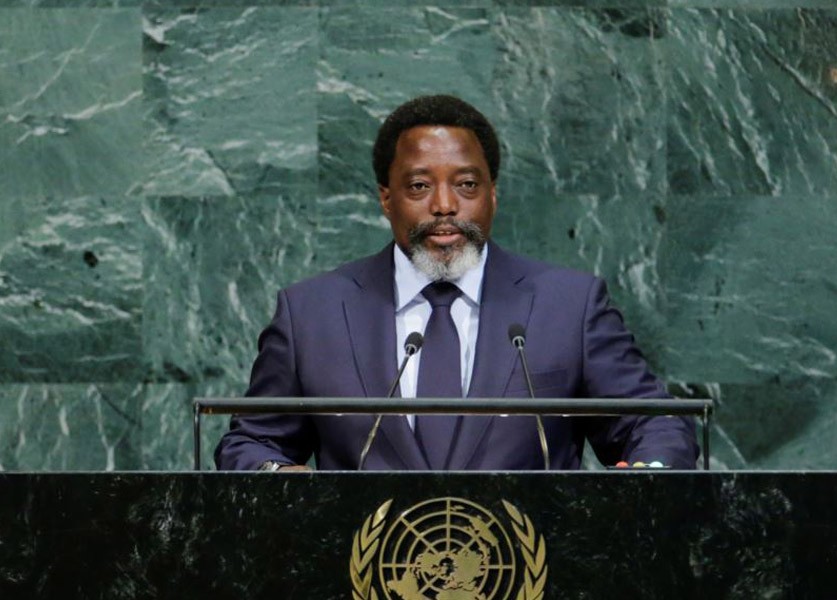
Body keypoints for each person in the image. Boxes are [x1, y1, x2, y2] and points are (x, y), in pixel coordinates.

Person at [215, 95, 697, 472]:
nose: (444, 205)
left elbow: (654, 425)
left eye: (466, 185)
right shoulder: (312, 314)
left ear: (493, 194)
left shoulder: (569, 306)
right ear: (386, 198)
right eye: (419, 186)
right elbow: (254, 440)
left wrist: (647, 477)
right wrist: (275, 474)